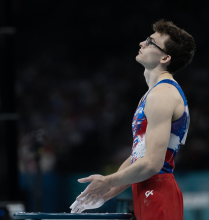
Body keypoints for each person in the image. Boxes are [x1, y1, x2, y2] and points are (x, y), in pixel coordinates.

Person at [70, 19, 196, 220]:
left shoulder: (163, 94)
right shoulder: (152, 94)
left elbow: (153, 164)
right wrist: (106, 193)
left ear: (165, 58)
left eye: (150, 42)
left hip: (158, 191)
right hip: (148, 190)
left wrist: (108, 181)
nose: (142, 43)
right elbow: (139, 155)